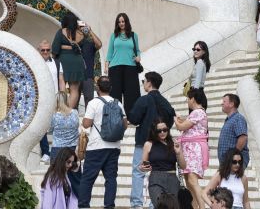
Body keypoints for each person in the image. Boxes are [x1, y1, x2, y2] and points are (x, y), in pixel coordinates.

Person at [128, 72, 175, 209]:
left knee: (139, 172)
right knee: (157, 173)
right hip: (160, 145)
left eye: (144, 81)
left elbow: (134, 118)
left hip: (143, 142)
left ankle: (137, 203)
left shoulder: (144, 100)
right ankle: (154, 203)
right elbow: (170, 121)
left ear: (149, 82)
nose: (143, 84)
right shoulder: (165, 102)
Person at [77, 76, 124, 209]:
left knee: (87, 179)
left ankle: (83, 205)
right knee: (111, 179)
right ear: (111, 88)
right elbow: (124, 124)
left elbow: (86, 124)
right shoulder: (118, 103)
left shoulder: (93, 103)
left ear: (97, 88)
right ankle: (109, 206)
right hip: (114, 146)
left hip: (96, 147)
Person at [175, 88, 210, 209]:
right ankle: (194, 206)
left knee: (192, 180)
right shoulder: (198, 113)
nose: (187, 101)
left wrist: (176, 119)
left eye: (188, 98)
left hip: (194, 150)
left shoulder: (197, 112)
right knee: (189, 181)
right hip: (190, 149)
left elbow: (181, 127)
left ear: (193, 99)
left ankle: (201, 206)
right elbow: (187, 125)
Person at [141, 119, 181, 208]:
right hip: (156, 179)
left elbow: (183, 165)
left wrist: (178, 152)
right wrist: (143, 168)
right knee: (160, 205)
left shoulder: (174, 143)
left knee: (173, 206)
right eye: (159, 131)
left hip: (172, 179)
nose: (162, 132)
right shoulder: (148, 144)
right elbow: (143, 165)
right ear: (154, 131)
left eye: (165, 130)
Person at [106, 13, 140, 115]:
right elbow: (109, 52)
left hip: (131, 67)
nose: (121, 23)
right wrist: (106, 66)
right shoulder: (113, 36)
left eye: (123, 21)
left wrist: (138, 57)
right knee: (115, 93)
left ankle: (131, 116)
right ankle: (116, 116)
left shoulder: (134, 35)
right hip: (115, 67)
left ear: (126, 22)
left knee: (131, 93)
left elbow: (137, 50)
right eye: (119, 22)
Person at [52, 12, 86, 109]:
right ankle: (68, 112)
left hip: (63, 61)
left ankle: (62, 110)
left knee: (62, 87)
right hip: (77, 62)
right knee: (74, 89)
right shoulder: (81, 34)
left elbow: (55, 49)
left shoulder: (61, 32)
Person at [47, 90, 80, 186]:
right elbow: (77, 126)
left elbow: (50, 129)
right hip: (72, 149)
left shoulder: (54, 115)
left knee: (55, 179)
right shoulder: (75, 113)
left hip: (58, 149)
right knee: (74, 178)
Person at [217, 93, 249, 170]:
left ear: (231, 104)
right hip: (227, 162)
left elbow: (243, 137)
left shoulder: (238, 118)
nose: (222, 103)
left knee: (234, 182)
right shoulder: (230, 120)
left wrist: (234, 156)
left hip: (234, 162)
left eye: (224, 101)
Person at [78, 21, 102, 104]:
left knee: (89, 103)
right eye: (79, 27)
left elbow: (99, 44)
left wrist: (90, 31)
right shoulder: (72, 43)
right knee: (74, 103)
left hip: (88, 77)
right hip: (75, 77)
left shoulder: (89, 43)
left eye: (83, 27)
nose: (81, 29)